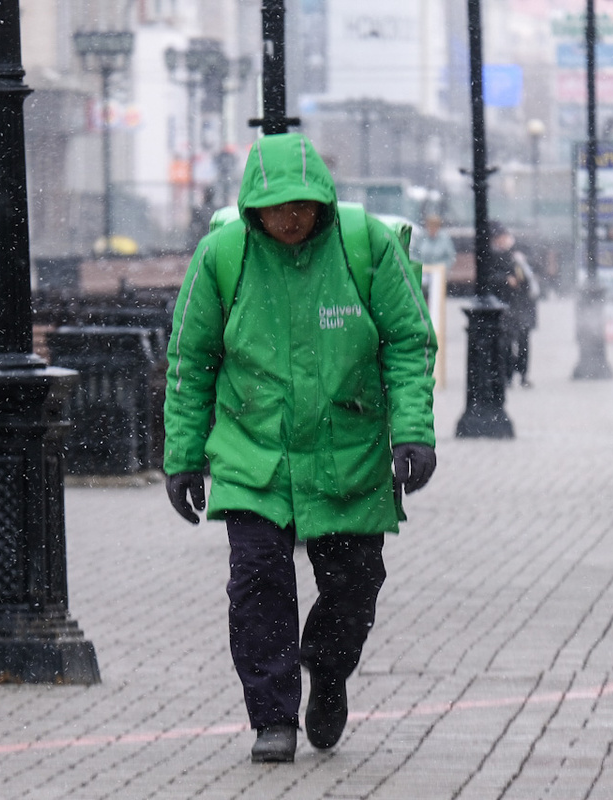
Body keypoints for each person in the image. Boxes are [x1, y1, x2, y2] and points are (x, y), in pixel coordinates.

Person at [162, 133, 438, 764]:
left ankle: (329, 670)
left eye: (302, 207)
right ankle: (273, 716)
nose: (289, 219)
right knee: (257, 582)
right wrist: (183, 457)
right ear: (253, 208)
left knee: (354, 585)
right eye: (276, 208)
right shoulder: (222, 256)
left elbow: (408, 341)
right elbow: (191, 361)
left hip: (349, 453)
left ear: (323, 204)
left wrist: (414, 431)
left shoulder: (364, 247)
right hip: (251, 454)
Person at [489, 223, 538, 387]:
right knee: (506, 342)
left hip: (524, 304)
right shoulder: (494, 254)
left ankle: (523, 375)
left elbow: (536, 267)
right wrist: (505, 279)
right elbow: (489, 278)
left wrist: (524, 261)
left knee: (523, 340)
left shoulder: (522, 249)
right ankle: (508, 375)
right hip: (507, 304)